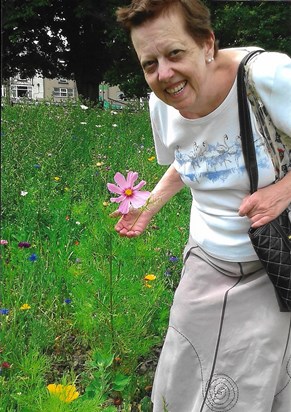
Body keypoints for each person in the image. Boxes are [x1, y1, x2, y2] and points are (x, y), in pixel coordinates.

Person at [113, 1, 291, 411]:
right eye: (149, 63)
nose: (164, 74)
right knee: (183, 367)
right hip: (206, 258)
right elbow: (191, 158)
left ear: (207, 44)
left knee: (250, 384)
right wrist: (149, 205)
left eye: (175, 54)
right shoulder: (162, 103)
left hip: (274, 266)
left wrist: (281, 192)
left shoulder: (264, 77)